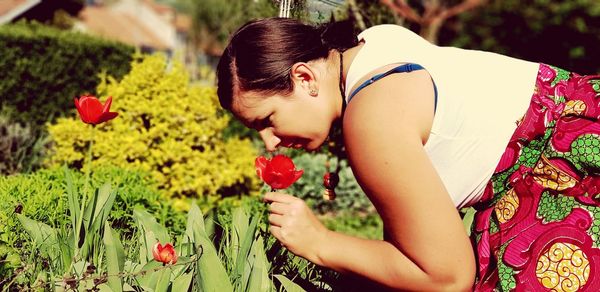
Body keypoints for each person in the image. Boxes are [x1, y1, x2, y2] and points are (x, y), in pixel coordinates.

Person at [216, 17, 600, 291]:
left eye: (267, 120)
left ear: (304, 78)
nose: (270, 142)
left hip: (561, 181)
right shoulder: (375, 44)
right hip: (581, 117)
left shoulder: (371, 118)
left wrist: (319, 242)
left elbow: (448, 277)